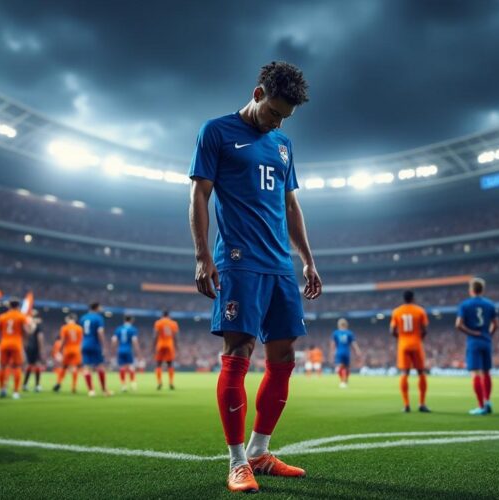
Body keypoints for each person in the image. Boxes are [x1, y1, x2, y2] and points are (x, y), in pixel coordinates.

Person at [189, 61, 319, 493]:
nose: (278, 122)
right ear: (258, 94)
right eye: (275, 113)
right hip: (239, 261)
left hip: (280, 264)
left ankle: (261, 451)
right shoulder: (217, 132)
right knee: (240, 350)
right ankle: (237, 461)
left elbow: (291, 206)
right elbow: (200, 194)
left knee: (283, 358)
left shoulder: (283, 144)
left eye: (285, 118)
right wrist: (203, 255)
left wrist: (307, 259)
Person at [456, 278, 499, 415]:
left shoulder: (465, 305)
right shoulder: (490, 304)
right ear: (482, 290)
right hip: (486, 340)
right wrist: (488, 335)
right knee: (486, 372)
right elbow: (496, 324)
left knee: (475, 373)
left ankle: (481, 406)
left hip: (473, 342)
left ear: (471, 290)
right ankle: (488, 401)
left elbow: (458, 324)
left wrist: (472, 332)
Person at [391, 290, 431, 413]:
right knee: (421, 373)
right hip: (416, 343)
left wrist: (401, 338)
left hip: (403, 344)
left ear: (403, 299)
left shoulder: (397, 311)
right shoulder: (419, 310)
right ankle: (422, 404)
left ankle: (406, 405)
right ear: (413, 298)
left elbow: (392, 330)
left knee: (404, 373)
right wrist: (419, 338)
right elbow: (424, 329)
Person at [0, 299, 31, 399]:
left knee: (3, 367)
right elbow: (27, 331)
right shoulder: (22, 316)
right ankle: (16, 392)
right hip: (16, 344)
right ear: (18, 306)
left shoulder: (2, 316)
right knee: (17, 367)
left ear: (9, 306)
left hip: (4, 343)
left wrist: (3, 331)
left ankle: (2, 389)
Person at [80, 303, 110, 397]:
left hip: (84, 343)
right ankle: (104, 390)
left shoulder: (83, 318)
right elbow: (100, 332)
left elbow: (82, 332)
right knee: (100, 366)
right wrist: (104, 345)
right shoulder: (98, 318)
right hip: (94, 343)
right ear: (96, 307)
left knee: (86, 368)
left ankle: (91, 391)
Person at [54, 314, 83, 393]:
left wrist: (59, 350)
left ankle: (58, 383)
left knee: (64, 367)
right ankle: (73, 387)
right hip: (76, 349)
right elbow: (81, 340)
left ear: (69, 319)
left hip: (67, 349)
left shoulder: (64, 328)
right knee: (74, 368)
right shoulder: (79, 328)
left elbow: (63, 340)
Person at [112, 316, 141, 392]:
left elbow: (114, 340)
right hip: (128, 350)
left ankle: (123, 385)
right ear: (131, 320)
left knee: (122, 367)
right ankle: (133, 383)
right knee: (130, 366)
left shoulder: (118, 329)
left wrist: (113, 349)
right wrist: (138, 351)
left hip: (120, 349)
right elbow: (134, 341)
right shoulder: (132, 329)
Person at [330, 318, 361, 388]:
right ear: (346, 325)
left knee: (340, 367)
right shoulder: (349, 333)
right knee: (347, 367)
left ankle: (342, 381)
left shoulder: (336, 333)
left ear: (338, 325)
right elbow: (354, 343)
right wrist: (358, 350)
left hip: (339, 352)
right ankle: (346, 381)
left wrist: (332, 352)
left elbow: (333, 344)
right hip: (347, 352)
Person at [153, 310, 179, 390]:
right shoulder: (173, 323)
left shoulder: (158, 323)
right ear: (168, 315)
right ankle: (171, 383)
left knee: (158, 364)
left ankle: (159, 382)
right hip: (169, 345)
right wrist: (177, 346)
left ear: (162, 315)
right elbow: (175, 336)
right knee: (170, 364)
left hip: (160, 345)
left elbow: (155, 335)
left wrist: (153, 345)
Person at [22, 310, 45, 393]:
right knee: (37, 365)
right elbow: (40, 337)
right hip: (35, 347)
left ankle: (24, 384)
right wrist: (41, 349)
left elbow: (25, 336)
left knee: (29, 365)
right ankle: (37, 385)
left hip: (29, 347)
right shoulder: (38, 325)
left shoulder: (27, 324)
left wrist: (25, 346)